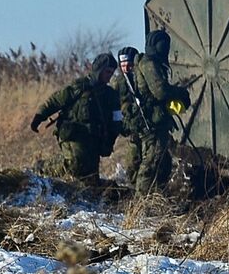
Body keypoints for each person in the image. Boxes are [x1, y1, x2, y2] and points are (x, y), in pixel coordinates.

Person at [115, 31, 190, 190]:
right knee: (149, 164)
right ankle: (142, 203)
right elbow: (160, 91)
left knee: (162, 164)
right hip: (150, 123)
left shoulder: (149, 63)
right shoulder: (148, 63)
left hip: (155, 121)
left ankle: (157, 197)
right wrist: (180, 93)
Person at [30, 52, 119, 183]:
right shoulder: (79, 87)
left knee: (89, 179)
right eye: (107, 72)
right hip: (73, 134)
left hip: (94, 139)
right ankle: (42, 167)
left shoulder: (110, 95)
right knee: (75, 164)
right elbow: (55, 101)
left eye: (112, 73)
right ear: (99, 70)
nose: (109, 76)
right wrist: (39, 117)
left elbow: (116, 119)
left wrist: (110, 139)